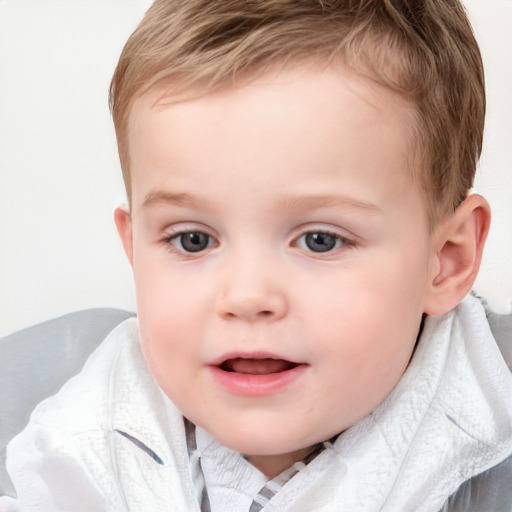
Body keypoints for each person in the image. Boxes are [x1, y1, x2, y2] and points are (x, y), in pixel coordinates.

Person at [1, 1, 511, 510]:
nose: (246, 297)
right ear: (133, 248)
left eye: (320, 240)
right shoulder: (36, 420)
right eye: (192, 239)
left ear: (446, 259)